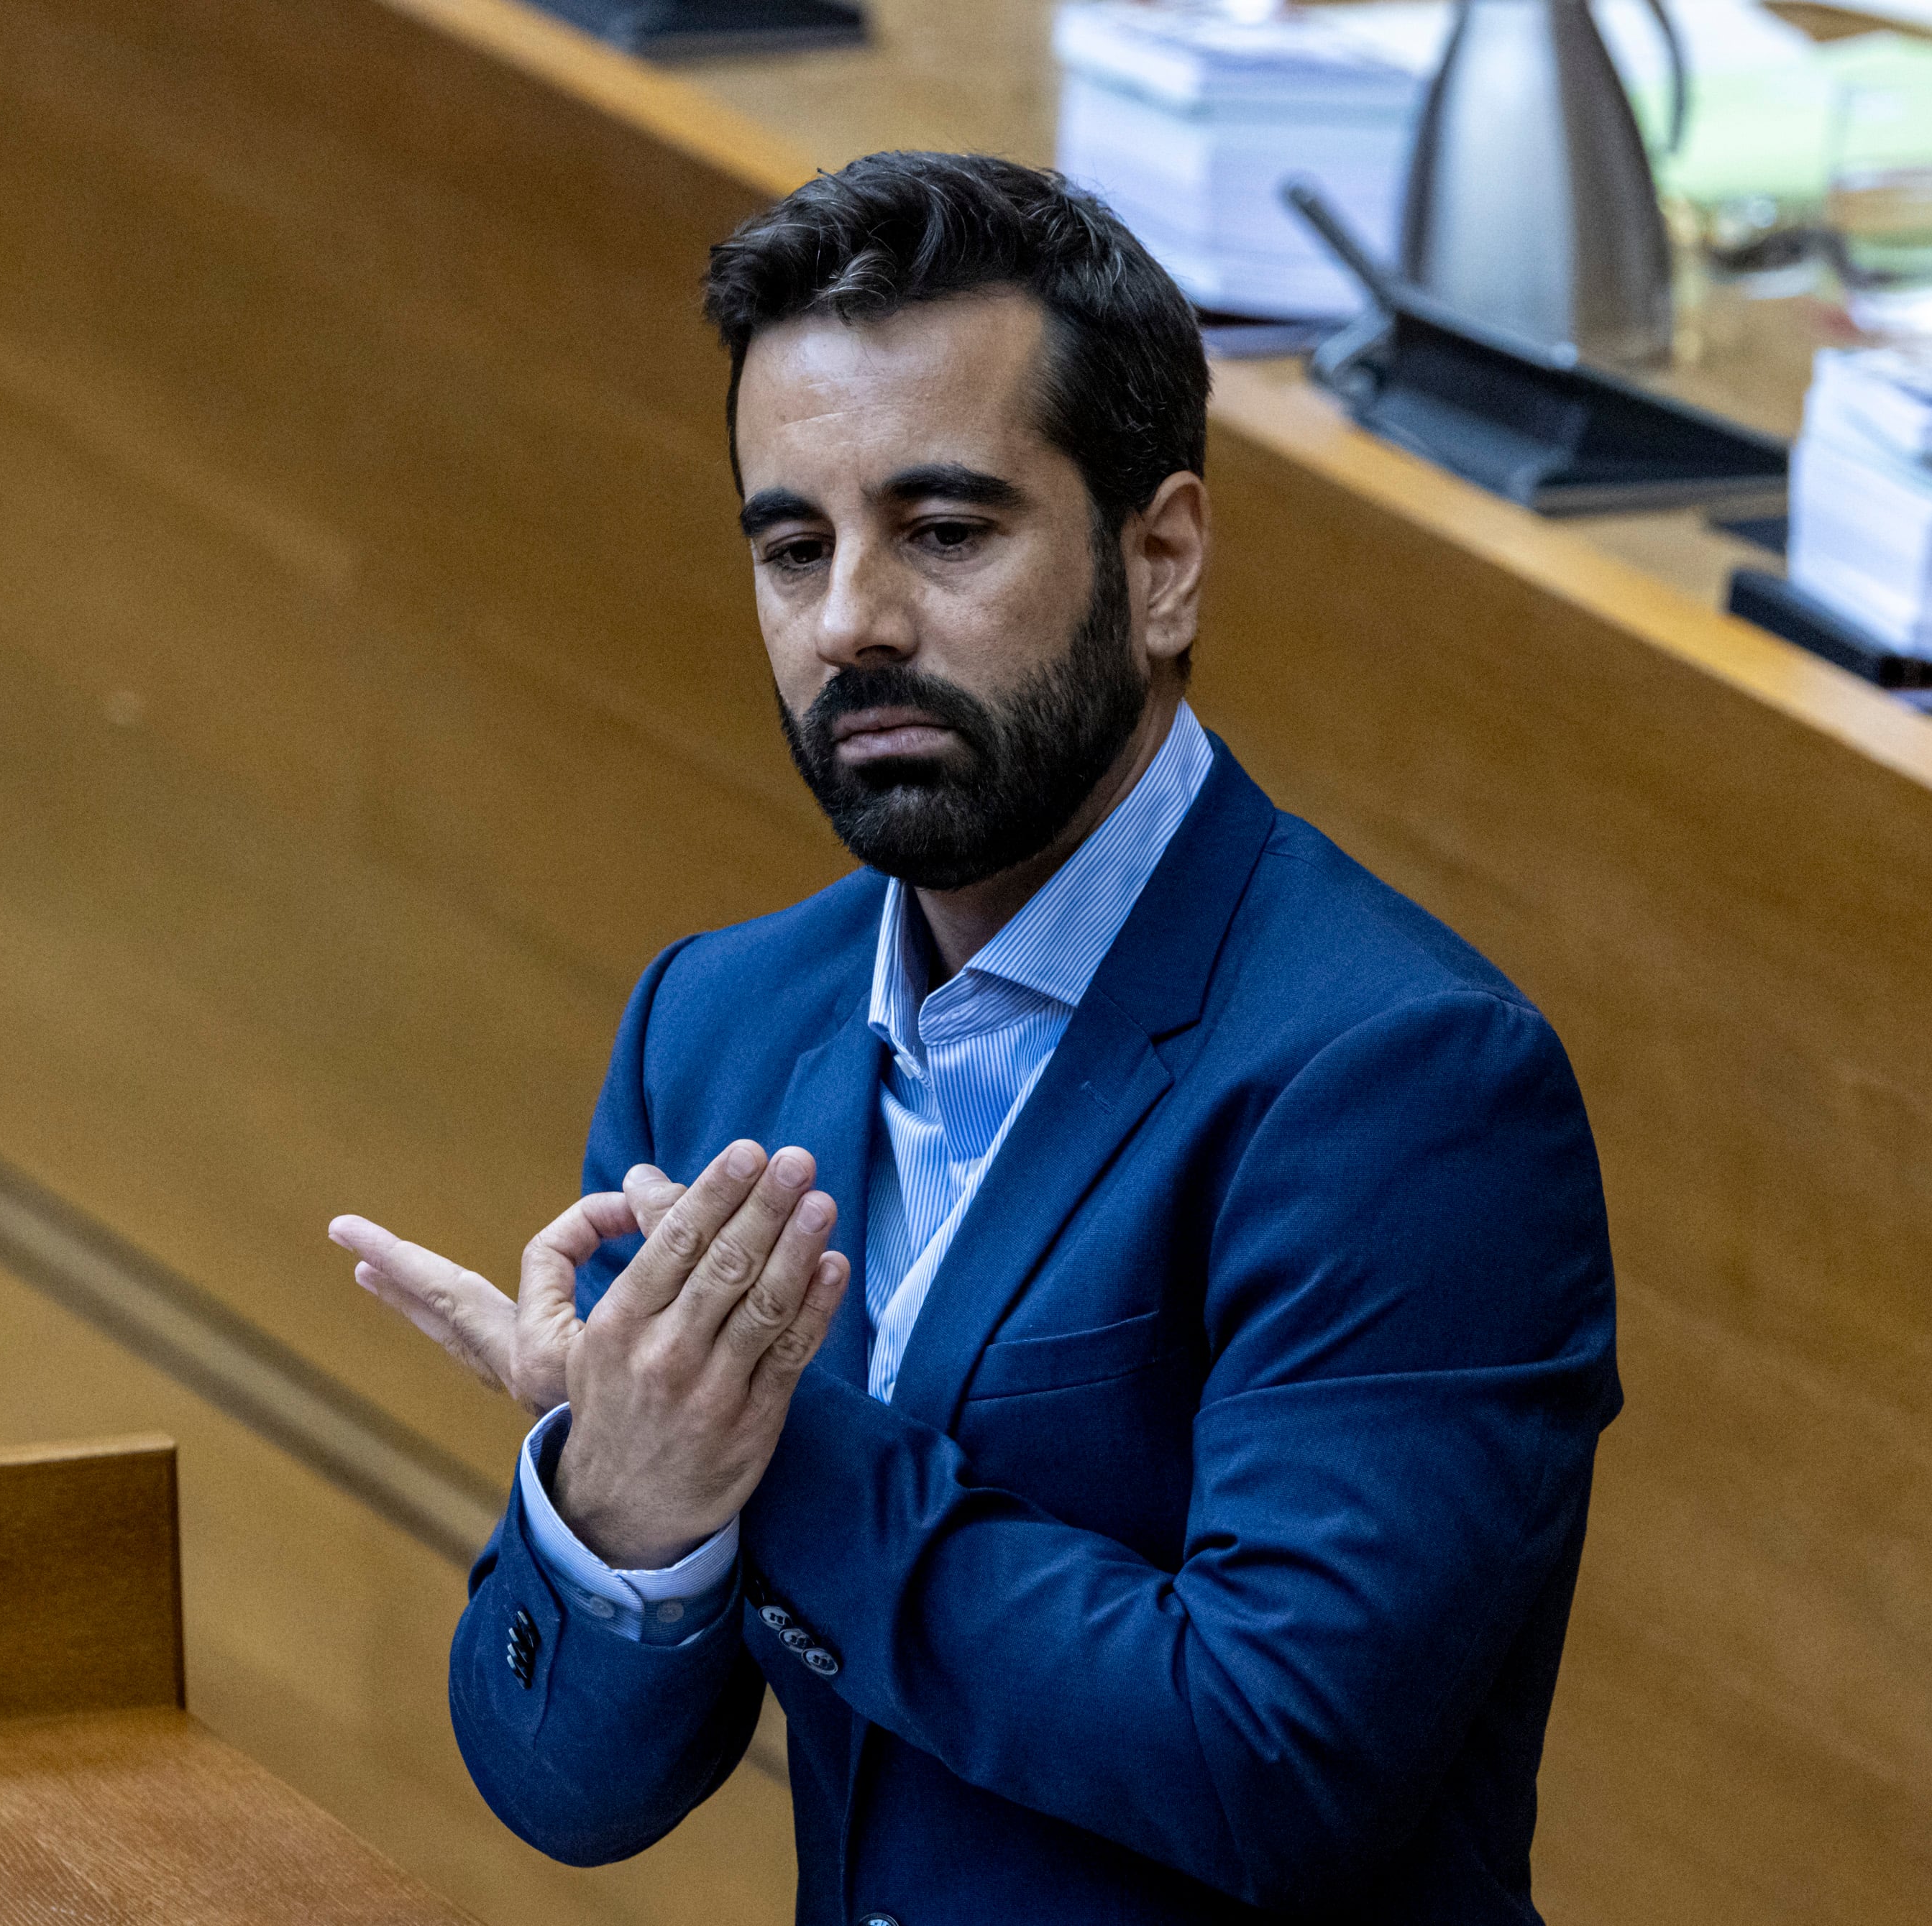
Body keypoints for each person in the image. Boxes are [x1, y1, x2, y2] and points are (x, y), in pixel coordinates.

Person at [329, 150, 1620, 1925]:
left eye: (942, 531)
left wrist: (755, 1436)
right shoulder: (714, 1024)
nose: (850, 616)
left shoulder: (1402, 1085)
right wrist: (618, 1505)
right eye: (795, 545)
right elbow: (568, 1784)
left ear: (1160, 562)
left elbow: (1271, 1758)